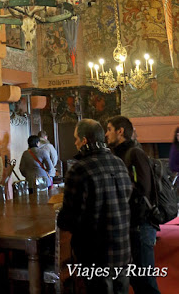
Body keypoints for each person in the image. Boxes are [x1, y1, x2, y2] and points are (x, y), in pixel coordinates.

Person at [57, 119, 132, 294]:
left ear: (84, 141)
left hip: (95, 253)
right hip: (122, 247)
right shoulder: (119, 163)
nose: (75, 143)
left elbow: (68, 219)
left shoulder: (79, 169)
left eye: (76, 139)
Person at [106, 116, 160, 294]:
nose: (106, 134)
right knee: (136, 280)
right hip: (130, 225)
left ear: (120, 131)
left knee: (146, 282)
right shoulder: (119, 154)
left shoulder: (134, 153)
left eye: (109, 129)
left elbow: (143, 190)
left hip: (140, 225)